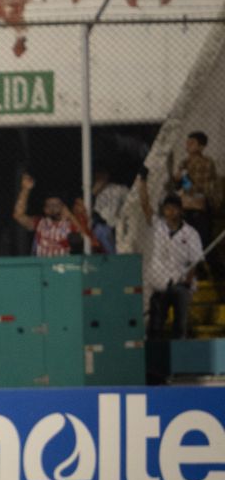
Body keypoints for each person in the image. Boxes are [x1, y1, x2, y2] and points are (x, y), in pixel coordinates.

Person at [138, 177, 202, 339]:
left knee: (180, 325)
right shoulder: (158, 226)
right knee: (156, 325)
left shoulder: (191, 233)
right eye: (167, 209)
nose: (170, 212)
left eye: (174, 209)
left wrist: (187, 281)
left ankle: (180, 353)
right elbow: (145, 205)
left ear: (180, 210)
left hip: (180, 284)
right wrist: (143, 182)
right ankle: (155, 355)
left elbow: (195, 260)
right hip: (160, 283)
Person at [13, 173, 80, 258]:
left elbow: (84, 235)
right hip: (41, 266)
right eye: (49, 205)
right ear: (45, 209)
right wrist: (25, 190)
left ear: (63, 207)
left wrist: (70, 216)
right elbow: (18, 215)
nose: (52, 208)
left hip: (62, 266)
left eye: (56, 205)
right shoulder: (40, 223)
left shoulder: (70, 224)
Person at [175, 131, 216, 245]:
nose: (188, 145)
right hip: (184, 206)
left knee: (202, 242)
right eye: (187, 142)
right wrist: (179, 180)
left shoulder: (206, 162)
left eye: (192, 143)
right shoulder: (184, 162)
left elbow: (199, 189)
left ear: (201, 147)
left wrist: (184, 178)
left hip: (198, 208)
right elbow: (179, 187)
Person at [91, 168, 128, 256]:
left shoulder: (119, 189)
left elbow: (129, 207)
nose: (100, 177)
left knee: (103, 231)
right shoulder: (91, 191)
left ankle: (113, 259)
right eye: (98, 174)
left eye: (102, 174)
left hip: (116, 224)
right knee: (100, 230)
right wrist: (93, 193)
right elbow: (85, 209)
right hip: (98, 225)